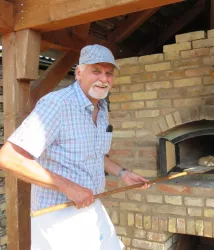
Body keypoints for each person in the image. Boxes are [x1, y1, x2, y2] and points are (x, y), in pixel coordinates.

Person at [0, 44, 149, 250]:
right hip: (57, 214)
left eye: (109, 73)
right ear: (79, 72)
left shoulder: (102, 107)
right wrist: (68, 187)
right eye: (96, 71)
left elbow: (95, 154)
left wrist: (123, 173)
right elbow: (9, 157)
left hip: (91, 205)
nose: (104, 79)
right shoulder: (57, 104)